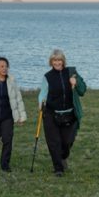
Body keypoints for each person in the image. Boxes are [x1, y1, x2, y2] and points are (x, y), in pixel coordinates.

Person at [37, 49, 87, 177]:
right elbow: (43, 93)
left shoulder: (71, 73)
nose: (57, 63)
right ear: (51, 62)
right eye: (54, 60)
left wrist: (76, 83)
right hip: (51, 113)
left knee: (67, 142)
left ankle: (63, 157)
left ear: (63, 61)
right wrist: (40, 103)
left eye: (59, 60)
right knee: (54, 142)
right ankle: (58, 168)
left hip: (69, 114)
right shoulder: (47, 77)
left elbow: (83, 90)